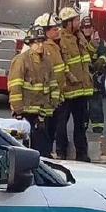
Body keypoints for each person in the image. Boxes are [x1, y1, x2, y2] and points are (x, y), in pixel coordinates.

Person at [8, 25, 58, 157]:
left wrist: (53, 103)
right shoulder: (21, 60)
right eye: (36, 42)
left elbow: (53, 84)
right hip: (25, 112)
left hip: (43, 112)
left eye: (41, 41)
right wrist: (18, 111)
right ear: (30, 44)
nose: (40, 45)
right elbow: (15, 86)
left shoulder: (47, 61)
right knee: (27, 149)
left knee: (43, 148)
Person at [52, 6, 94, 161]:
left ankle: (82, 154)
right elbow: (61, 63)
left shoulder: (79, 37)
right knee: (61, 124)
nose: (79, 22)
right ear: (68, 23)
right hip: (68, 90)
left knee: (81, 125)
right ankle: (61, 152)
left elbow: (87, 57)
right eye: (76, 20)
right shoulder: (61, 39)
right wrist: (69, 77)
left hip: (82, 90)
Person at [35, 13, 67, 152]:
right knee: (45, 130)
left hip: (56, 95)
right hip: (47, 98)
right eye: (54, 29)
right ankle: (45, 155)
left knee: (52, 128)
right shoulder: (45, 48)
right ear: (45, 31)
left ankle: (48, 152)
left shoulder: (55, 45)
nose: (58, 31)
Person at [78, 15, 106, 134]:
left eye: (89, 27)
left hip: (95, 79)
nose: (87, 29)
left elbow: (105, 54)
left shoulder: (99, 41)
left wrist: (98, 63)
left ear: (93, 28)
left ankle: (98, 129)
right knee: (82, 107)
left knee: (96, 106)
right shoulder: (78, 41)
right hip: (81, 80)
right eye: (84, 27)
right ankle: (83, 125)